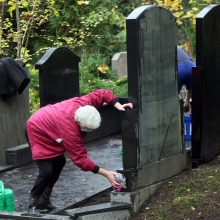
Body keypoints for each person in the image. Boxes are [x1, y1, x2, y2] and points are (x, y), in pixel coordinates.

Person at [25, 89, 133, 212]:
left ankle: (44, 200)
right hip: (36, 128)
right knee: (47, 171)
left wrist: (117, 105)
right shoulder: (70, 131)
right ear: (78, 122)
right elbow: (81, 160)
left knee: (60, 162)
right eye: (86, 129)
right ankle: (32, 202)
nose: (87, 132)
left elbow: (102, 93)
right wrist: (106, 174)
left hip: (51, 124)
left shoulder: (85, 103)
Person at [177, 47, 196, 112]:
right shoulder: (178, 49)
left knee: (173, 97)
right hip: (192, 66)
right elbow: (190, 88)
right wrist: (187, 101)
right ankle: (187, 103)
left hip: (180, 69)